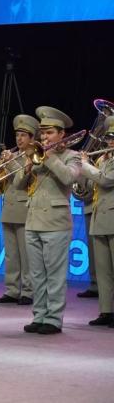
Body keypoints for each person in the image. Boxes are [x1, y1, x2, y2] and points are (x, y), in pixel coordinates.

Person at [17, 106, 80, 335]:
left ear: (62, 134)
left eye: (49, 132)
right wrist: (26, 166)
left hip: (56, 223)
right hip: (33, 220)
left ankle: (53, 318)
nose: (44, 137)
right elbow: (16, 185)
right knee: (36, 274)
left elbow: (68, 177)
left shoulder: (71, 156)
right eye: (42, 133)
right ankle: (39, 315)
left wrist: (49, 156)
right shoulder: (34, 154)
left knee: (55, 274)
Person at [0, 114, 38, 305]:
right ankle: (12, 289)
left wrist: (10, 161)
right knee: (11, 254)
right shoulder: (16, 155)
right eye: (17, 135)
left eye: (23, 135)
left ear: (32, 138)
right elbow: (2, 183)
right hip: (9, 210)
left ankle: (28, 291)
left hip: (23, 211)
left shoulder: (33, 156)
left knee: (25, 255)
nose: (19, 139)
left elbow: (21, 182)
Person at [79, 117, 114, 328]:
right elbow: (92, 184)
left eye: (113, 139)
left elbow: (106, 180)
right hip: (100, 218)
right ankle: (106, 311)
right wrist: (81, 173)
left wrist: (85, 165)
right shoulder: (103, 159)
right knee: (103, 270)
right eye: (109, 138)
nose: (110, 142)